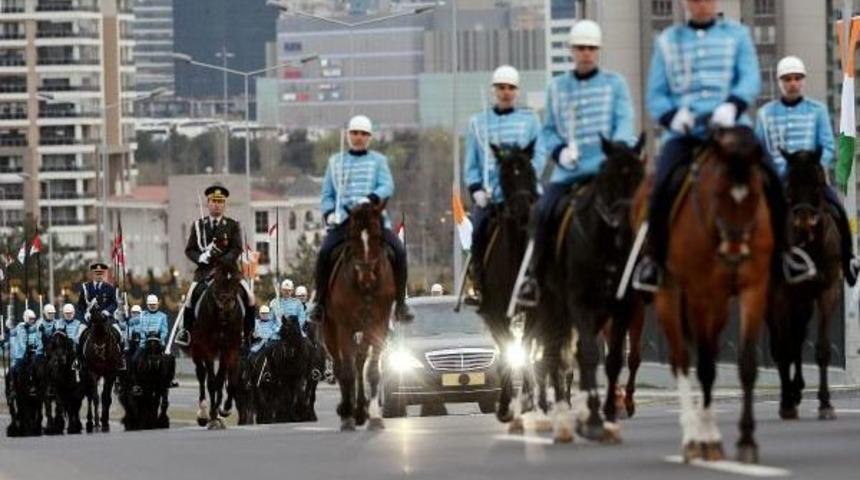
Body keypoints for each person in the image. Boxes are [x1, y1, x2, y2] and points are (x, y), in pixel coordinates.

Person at [633, 0, 787, 291]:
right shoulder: (667, 42)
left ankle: (785, 254)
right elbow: (656, 93)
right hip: (686, 133)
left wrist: (733, 105)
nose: (700, 4)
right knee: (660, 186)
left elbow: (750, 77)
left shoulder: (737, 35)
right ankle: (653, 260)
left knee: (771, 177)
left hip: (732, 126)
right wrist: (673, 117)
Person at [515, 19, 636, 305]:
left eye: (592, 48)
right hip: (569, 173)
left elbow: (625, 121)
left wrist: (615, 148)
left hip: (607, 171)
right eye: (581, 48)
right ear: (572, 51)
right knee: (541, 212)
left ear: (598, 51)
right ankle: (534, 277)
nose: (586, 53)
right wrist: (559, 152)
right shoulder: (557, 87)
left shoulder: (614, 84)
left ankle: (644, 267)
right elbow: (548, 131)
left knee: (636, 208)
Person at [755, 55, 860, 285]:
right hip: (779, 181)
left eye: (797, 78)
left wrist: (813, 168)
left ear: (803, 81)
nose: (792, 83)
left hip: (810, 180)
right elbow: (759, 151)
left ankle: (848, 258)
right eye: (787, 79)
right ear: (780, 82)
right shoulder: (764, 115)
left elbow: (828, 145)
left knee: (836, 209)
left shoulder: (818, 110)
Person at [308, 114, 414, 323]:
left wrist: (371, 197)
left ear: (369, 137)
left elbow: (387, 186)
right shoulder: (335, 162)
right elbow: (327, 194)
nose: (358, 137)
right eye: (355, 133)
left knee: (400, 251)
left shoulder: (379, 161)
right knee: (325, 252)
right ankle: (319, 303)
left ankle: (401, 303)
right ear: (348, 135)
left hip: (373, 218)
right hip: (346, 220)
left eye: (363, 134)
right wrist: (330, 213)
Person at [463, 65, 542, 303]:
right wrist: (476, 189)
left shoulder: (530, 121)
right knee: (477, 229)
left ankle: (543, 278)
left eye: (510, 88)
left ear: (516, 91)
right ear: (494, 91)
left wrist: (526, 181)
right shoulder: (477, 123)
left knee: (545, 225)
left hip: (523, 193)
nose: (505, 92)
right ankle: (479, 282)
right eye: (501, 88)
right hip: (492, 196)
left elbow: (539, 155)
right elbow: (471, 163)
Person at [178, 183, 255, 343]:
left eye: (220, 202)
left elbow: (236, 248)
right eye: (214, 201)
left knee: (250, 297)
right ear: (208, 203)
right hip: (204, 272)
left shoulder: (232, 225)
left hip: (228, 271)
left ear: (224, 204)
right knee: (190, 298)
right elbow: (190, 249)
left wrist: (222, 260)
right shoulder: (199, 226)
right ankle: (186, 332)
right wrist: (201, 258)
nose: (217, 205)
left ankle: (250, 332)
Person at [129, 295, 170, 395]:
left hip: (158, 342)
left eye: (154, 305)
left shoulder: (163, 316)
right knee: (134, 360)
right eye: (151, 305)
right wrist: (146, 337)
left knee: (169, 360)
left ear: (157, 305)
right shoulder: (143, 315)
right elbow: (141, 328)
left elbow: (165, 330)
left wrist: (160, 338)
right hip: (145, 343)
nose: (152, 306)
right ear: (147, 305)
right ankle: (136, 384)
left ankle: (168, 381)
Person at [9, 309, 44, 376]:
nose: (32, 321)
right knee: (18, 369)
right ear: (26, 318)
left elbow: (33, 329)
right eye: (30, 319)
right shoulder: (20, 326)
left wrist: (39, 325)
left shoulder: (31, 327)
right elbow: (20, 338)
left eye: (33, 319)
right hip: (20, 355)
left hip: (30, 353)